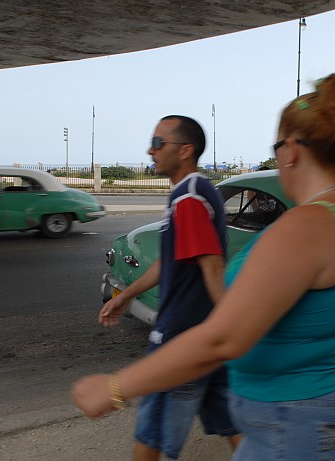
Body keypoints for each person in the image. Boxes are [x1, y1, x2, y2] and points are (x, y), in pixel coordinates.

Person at [73, 74, 335, 460]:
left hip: (298, 428)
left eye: (276, 148)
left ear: (290, 150)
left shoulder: (303, 228)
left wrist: (115, 387)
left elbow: (225, 337)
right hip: (327, 412)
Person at [96, 115, 240, 460]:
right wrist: (126, 295)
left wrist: (237, 335)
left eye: (159, 143)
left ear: (186, 150)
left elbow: (213, 269)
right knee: (234, 428)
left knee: (151, 438)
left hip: (180, 342)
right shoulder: (188, 195)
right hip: (204, 341)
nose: (151, 150)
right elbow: (171, 261)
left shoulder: (189, 197)